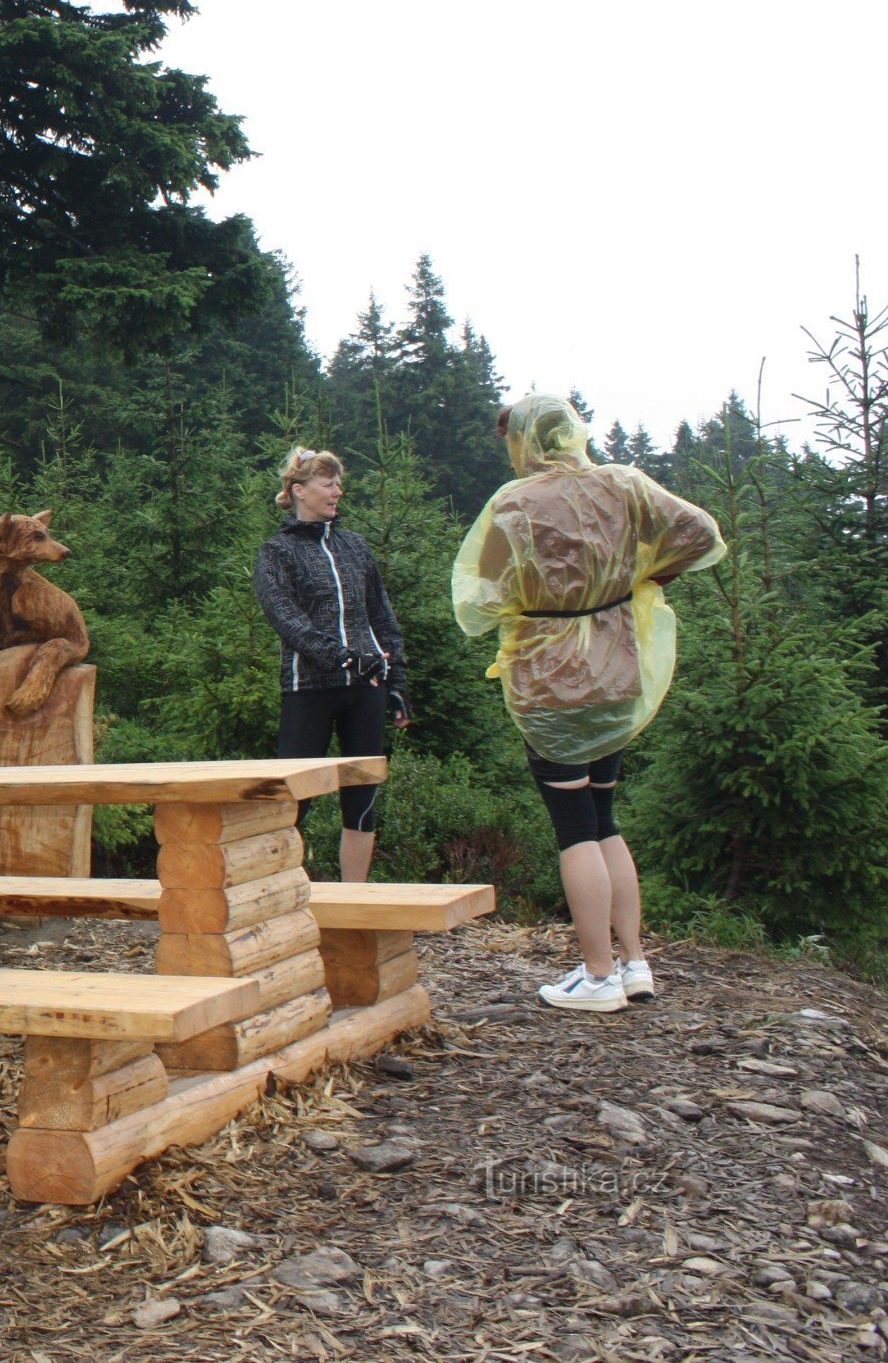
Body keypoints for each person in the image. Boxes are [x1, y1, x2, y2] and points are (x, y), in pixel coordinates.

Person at [454, 393, 724, 1013]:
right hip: (618, 665)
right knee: (606, 818)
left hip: (550, 678)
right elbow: (700, 534)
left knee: (573, 828)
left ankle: (597, 976)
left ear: (523, 441)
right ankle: (633, 963)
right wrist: (642, 577)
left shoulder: (514, 502)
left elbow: (482, 598)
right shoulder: (624, 485)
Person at [254, 447, 410, 882]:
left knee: (363, 795)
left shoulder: (356, 546)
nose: (338, 491)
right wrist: (342, 656)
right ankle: (280, 888)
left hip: (367, 689)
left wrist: (397, 682)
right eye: (329, 484)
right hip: (309, 689)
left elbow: (382, 616)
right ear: (299, 490)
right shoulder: (277, 552)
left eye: (339, 484)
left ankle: (353, 898)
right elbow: (287, 621)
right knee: (293, 796)